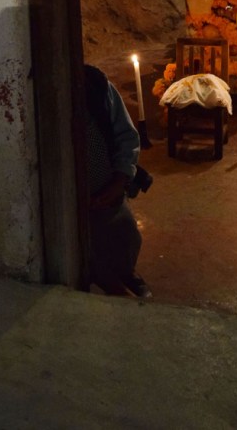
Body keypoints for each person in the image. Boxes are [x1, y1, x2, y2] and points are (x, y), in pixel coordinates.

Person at [84, 63, 151, 299]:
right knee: (89, 249)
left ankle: (125, 271)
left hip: (107, 187)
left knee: (126, 234)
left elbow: (126, 136)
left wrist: (120, 180)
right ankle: (108, 282)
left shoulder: (97, 86)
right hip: (69, 199)